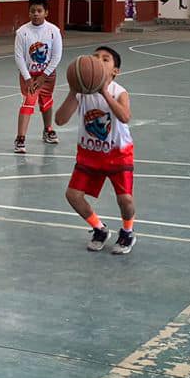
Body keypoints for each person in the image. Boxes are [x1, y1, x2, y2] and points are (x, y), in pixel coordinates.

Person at [56, 45, 136, 256]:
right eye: (95, 57)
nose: (98, 60)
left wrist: (104, 93)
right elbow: (60, 120)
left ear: (114, 71)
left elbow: (125, 117)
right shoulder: (82, 93)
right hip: (90, 153)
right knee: (73, 195)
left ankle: (127, 231)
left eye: (105, 59)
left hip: (118, 152)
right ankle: (99, 229)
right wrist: (73, 90)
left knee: (125, 200)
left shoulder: (119, 92)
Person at [13, 0, 64, 154]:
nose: (36, 14)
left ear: (46, 13)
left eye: (39, 11)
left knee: (46, 101)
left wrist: (44, 76)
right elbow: (19, 56)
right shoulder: (22, 32)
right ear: (29, 13)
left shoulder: (53, 31)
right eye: (33, 11)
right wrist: (28, 78)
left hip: (47, 75)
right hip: (29, 75)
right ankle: (20, 138)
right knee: (28, 102)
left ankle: (48, 129)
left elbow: (57, 55)